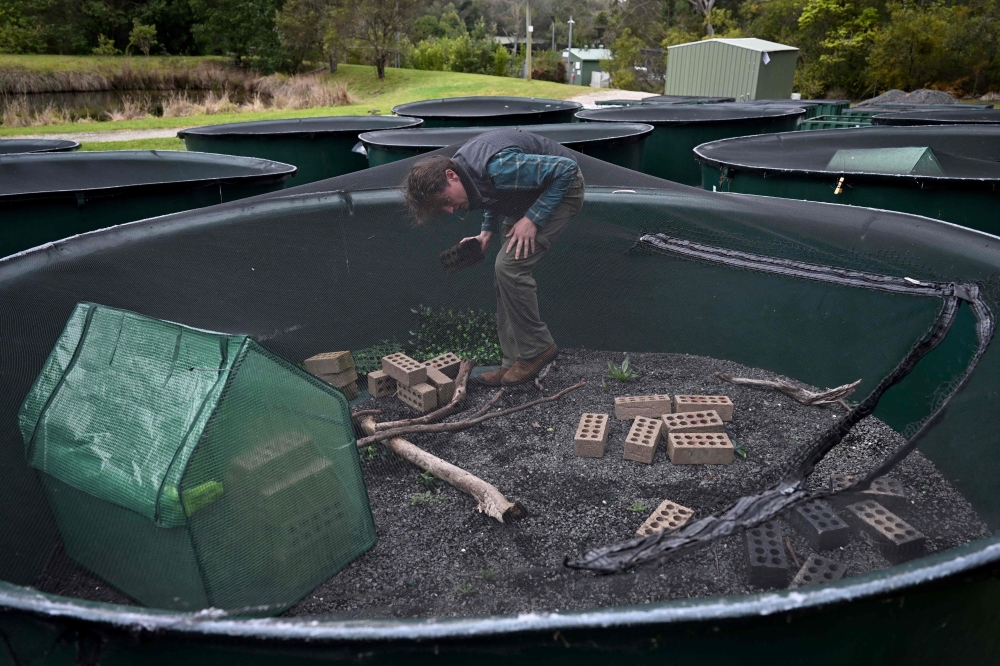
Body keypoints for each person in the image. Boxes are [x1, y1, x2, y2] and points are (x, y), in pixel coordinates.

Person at [404, 128, 585, 386]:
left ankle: (537, 350)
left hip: (560, 191)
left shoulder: (500, 166)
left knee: (510, 267)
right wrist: (486, 232)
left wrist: (534, 219)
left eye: (445, 200)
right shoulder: (465, 167)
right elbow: (489, 193)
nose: (449, 210)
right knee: (504, 275)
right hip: (523, 196)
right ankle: (512, 362)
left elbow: (566, 169)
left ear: (451, 176)